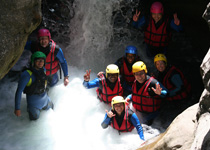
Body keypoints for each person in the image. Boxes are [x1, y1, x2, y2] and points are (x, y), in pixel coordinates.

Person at [14, 51, 54, 120]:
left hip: (45, 100)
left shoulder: (43, 70)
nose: (40, 62)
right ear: (33, 61)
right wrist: (17, 108)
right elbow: (19, 91)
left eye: (42, 60)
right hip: (34, 104)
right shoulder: (27, 74)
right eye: (38, 60)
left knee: (53, 110)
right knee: (34, 120)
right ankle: (29, 109)